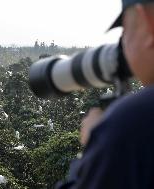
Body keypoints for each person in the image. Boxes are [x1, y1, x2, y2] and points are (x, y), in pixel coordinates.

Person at [55, 0, 154, 188]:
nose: (122, 43)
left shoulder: (134, 122)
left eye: (124, 29)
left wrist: (98, 141)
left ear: (146, 21)